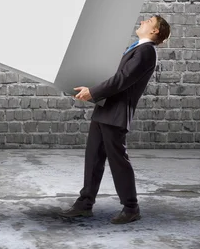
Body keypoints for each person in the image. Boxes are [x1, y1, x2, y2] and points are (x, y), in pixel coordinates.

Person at [60, 15, 171, 225]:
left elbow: (122, 79)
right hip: (106, 109)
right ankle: (85, 204)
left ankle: (131, 208)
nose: (143, 21)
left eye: (149, 20)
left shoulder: (147, 51)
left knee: (118, 160)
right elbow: (115, 76)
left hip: (116, 112)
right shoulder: (137, 48)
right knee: (93, 158)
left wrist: (92, 92)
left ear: (155, 30)